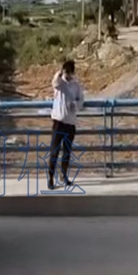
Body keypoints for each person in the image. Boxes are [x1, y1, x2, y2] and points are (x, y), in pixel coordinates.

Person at [47, 60, 84, 190]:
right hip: (59, 122)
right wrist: (59, 71)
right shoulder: (59, 83)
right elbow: (54, 82)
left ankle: (64, 175)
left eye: (70, 73)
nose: (68, 75)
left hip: (70, 123)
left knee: (66, 152)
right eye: (66, 72)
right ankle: (50, 178)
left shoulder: (76, 85)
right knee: (54, 151)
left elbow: (81, 100)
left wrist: (75, 104)